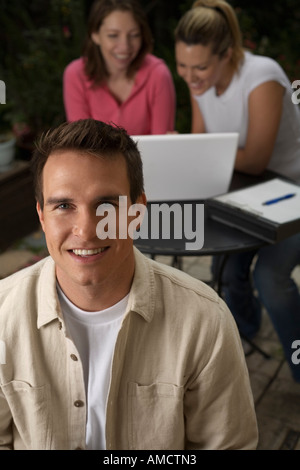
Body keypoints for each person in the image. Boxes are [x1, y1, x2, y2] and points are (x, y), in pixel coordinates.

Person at [0, 118, 258, 450]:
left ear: (137, 212)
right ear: (41, 216)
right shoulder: (4, 315)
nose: (87, 230)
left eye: (107, 205)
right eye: (64, 205)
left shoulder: (205, 321)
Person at [174, 0, 300, 383]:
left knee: (270, 279)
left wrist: (202, 152)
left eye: (200, 68)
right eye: (182, 66)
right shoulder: (202, 80)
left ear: (227, 54)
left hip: (292, 190)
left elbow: (257, 158)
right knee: (224, 268)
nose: (191, 78)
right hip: (247, 192)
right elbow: (202, 144)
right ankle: (245, 332)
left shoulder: (262, 75)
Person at [63, 0, 176, 135]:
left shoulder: (158, 74)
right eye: (113, 35)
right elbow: (80, 144)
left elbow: (161, 144)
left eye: (134, 35)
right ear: (95, 35)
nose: (125, 46)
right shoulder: (75, 74)